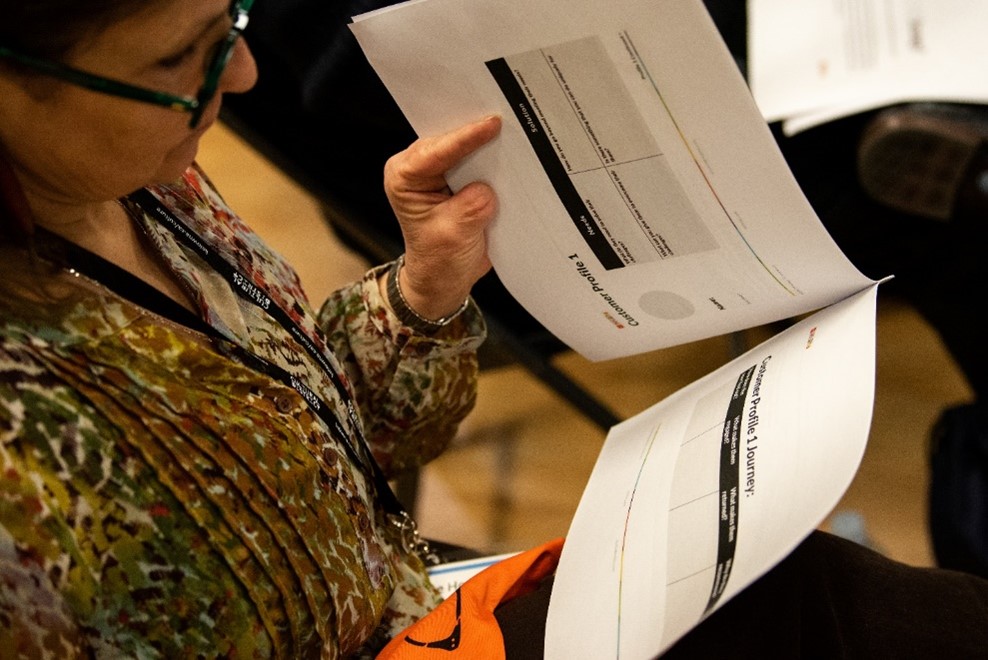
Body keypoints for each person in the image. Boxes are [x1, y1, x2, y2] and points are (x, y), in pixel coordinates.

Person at [2, 1, 988, 659]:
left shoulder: (146, 183)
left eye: (231, 22)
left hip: (425, 606)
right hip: (421, 631)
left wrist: (418, 296)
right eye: (184, 55)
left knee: (836, 601)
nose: (243, 71)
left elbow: (324, 453)